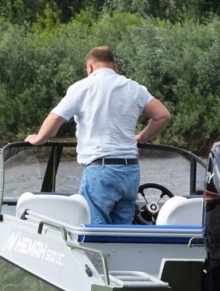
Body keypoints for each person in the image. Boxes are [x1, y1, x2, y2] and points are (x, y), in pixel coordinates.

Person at [25, 46, 171, 225]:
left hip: (100, 169)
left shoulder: (81, 88)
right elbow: (162, 115)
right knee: (124, 232)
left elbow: (56, 117)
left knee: (95, 229)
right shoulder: (135, 88)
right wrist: (141, 137)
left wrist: (39, 138)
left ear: (90, 68)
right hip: (130, 170)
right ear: (115, 67)